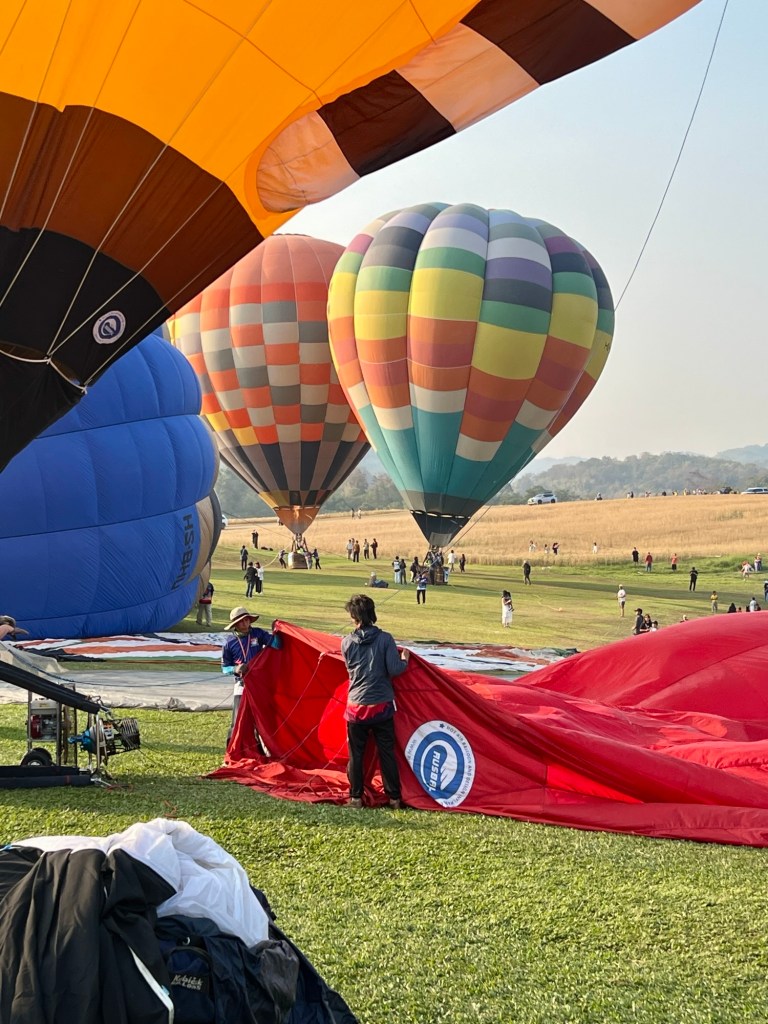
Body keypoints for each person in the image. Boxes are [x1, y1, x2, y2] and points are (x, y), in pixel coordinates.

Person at [341, 594, 409, 809]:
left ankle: (355, 798)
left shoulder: (346, 642)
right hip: (381, 707)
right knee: (386, 752)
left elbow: (349, 669)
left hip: (356, 707)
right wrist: (405, 660)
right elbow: (395, 669)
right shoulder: (386, 639)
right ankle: (394, 798)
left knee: (356, 754)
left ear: (353, 617)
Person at [221, 606, 279, 743]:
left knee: (262, 718)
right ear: (235, 624)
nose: (245, 623)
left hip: (259, 683)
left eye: (246, 620)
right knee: (237, 719)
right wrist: (236, 669)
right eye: (241, 621)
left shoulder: (258, 633)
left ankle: (263, 748)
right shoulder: (229, 643)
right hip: (241, 685)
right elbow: (224, 668)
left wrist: (277, 631)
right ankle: (232, 747)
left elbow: (277, 645)